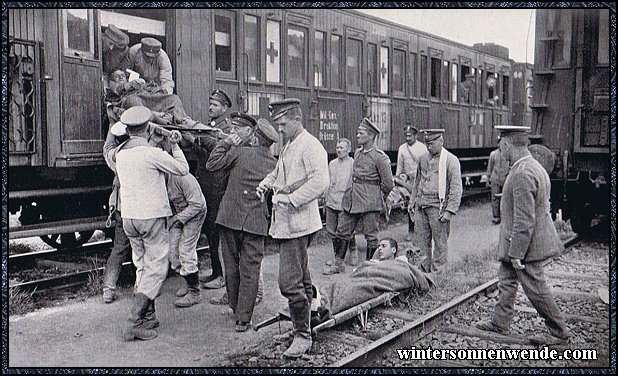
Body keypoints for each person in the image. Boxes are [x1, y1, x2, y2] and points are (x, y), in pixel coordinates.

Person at [476, 125, 570, 347]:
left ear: (507, 145)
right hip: (522, 241)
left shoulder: (521, 173)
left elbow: (524, 219)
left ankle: (559, 332)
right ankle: (500, 322)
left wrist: (517, 252)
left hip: (526, 244)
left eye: (501, 145)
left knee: (535, 287)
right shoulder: (532, 166)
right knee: (507, 279)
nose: (500, 149)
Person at [256, 98, 329, 358]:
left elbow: (321, 181)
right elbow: (279, 172)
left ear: (297, 119)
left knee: (289, 282)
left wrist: (290, 199)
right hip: (288, 223)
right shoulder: (290, 144)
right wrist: (267, 182)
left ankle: (302, 335)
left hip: (298, 223)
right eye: (278, 125)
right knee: (302, 276)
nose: (280, 130)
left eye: (283, 124)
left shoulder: (311, 146)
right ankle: (309, 322)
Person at [114, 106, 189, 341]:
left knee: (142, 266)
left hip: (129, 218)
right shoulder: (151, 153)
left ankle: (148, 317)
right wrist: (174, 144)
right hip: (151, 217)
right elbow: (183, 169)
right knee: (156, 269)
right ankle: (133, 322)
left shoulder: (120, 153)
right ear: (147, 128)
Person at [205, 114, 278, 332]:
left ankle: (235, 307)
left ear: (255, 137)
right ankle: (243, 318)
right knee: (251, 268)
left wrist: (226, 142)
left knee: (231, 265)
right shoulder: (274, 164)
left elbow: (211, 164)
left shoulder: (239, 153)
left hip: (230, 218)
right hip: (256, 221)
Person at [328, 118, 394, 274]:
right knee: (343, 230)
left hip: (370, 201)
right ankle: (339, 264)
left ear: (370, 136)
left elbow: (388, 184)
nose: (357, 135)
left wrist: (376, 196)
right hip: (352, 199)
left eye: (361, 133)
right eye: (358, 132)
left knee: (371, 235)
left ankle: (369, 268)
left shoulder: (380, 157)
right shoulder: (357, 152)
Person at [194, 89, 234, 289]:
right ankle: (216, 272)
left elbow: (214, 149)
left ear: (225, 108)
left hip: (217, 185)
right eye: (210, 103)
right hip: (205, 182)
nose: (211, 107)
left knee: (216, 230)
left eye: (215, 104)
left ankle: (221, 276)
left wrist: (197, 139)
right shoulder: (207, 127)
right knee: (209, 230)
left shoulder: (225, 129)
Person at [411, 129, 462, 273]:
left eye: (432, 143)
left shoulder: (450, 160)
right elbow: (417, 182)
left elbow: (456, 188)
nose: (429, 147)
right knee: (420, 243)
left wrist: (449, 210)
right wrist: (412, 201)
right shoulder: (422, 159)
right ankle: (421, 273)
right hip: (421, 206)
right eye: (427, 143)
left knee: (440, 244)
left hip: (438, 208)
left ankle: (438, 276)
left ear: (441, 141)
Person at [166, 171, 207, 308]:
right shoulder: (158, 180)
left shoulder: (183, 177)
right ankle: (187, 281)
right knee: (172, 253)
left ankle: (195, 292)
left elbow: (197, 205)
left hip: (196, 214)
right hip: (178, 214)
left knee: (185, 250)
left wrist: (177, 219)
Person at [101, 121, 131, 304]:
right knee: (141, 250)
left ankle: (108, 289)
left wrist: (112, 126)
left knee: (119, 249)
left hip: (122, 209)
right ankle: (142, 289)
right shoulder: (145, 152)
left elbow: (107, 148)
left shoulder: (117, 155)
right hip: (140, 211)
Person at [323, 138, 358, 271]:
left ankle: (348, 254)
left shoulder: (353, 164)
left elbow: (354, 184)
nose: (339, 150)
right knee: (332, 231)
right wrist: (325, 197)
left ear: (349, 150)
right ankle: (337, 256)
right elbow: (328, 182)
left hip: (346, 200)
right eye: (337, 148)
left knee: (344, 230)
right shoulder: (332, 164)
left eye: (342, 148)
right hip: (332, 200)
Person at [396, 124, 428, 241]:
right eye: (406, 136)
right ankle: (411, 230)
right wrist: (399, 177)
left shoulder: (423, 148)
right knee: (410, 205)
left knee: (421, 205)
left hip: (420, 181)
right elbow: (400, 167)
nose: (408, 138)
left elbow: (426, 166)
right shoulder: (402, 148)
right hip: (408, 182)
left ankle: (421, 230)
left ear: (415, 135)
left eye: (410, 136)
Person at [486, 136, 509, 224]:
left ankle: (505, 216)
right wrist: (488, 179)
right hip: (495, 178)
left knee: (506, 198)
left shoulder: (507, 154)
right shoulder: (493, 154)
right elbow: (490, 167)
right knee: (495, 198)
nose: (500, 145)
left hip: (506, 178)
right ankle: (496, 216)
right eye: (499, 143)